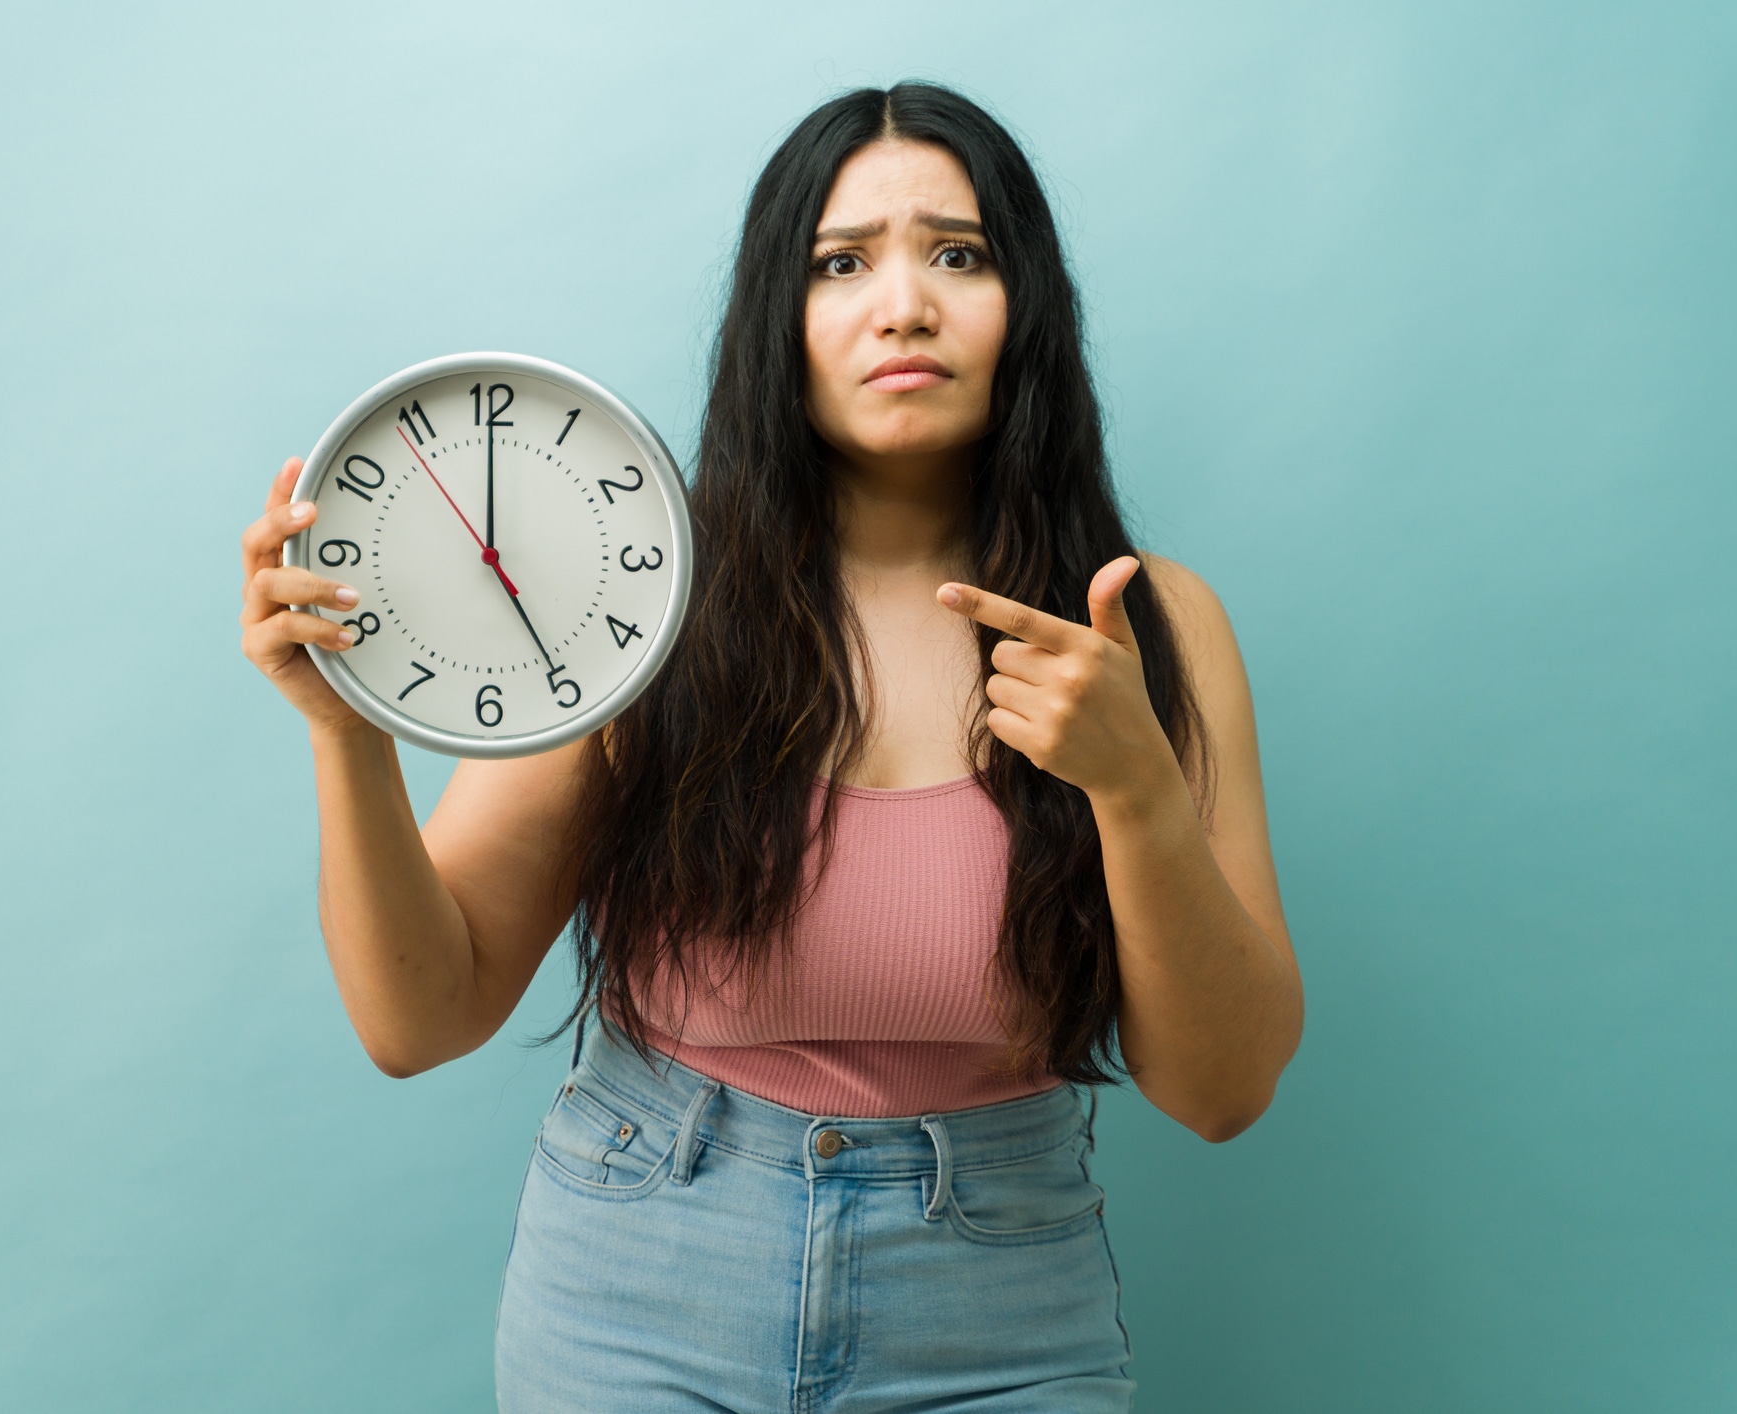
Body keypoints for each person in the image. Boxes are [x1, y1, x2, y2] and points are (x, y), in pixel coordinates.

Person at [239, 81, 1301, 1413]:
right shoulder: (634, 601)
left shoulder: (1152, 626)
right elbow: (419, 1014)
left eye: (956, 254)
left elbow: (1222, 1088)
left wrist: (1135, 788)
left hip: (999, 1299)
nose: (901, 303)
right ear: (773, 322)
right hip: (643, 1269)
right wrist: (352, 736)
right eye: (839, 264)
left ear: (1026, 305)